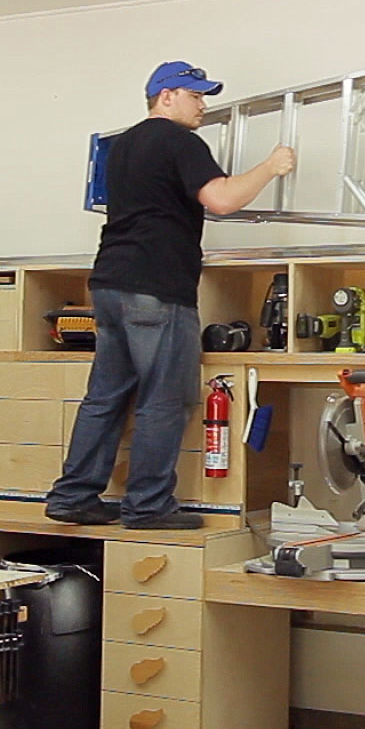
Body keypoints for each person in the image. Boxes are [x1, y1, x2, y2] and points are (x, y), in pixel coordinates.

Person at [45, 61, 295, 529]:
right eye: (195, 95)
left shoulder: (121, 147)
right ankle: (148, 507)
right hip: (156, 289)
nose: (203, 105)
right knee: (165, 399)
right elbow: (221, 199)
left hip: (110, 284)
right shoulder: (179, 141)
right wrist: (270, 167)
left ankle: (73, 496)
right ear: (165, 96)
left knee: (106, 397)